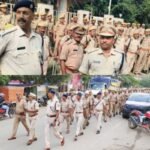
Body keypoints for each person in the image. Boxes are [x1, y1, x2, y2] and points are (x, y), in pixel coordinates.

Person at [0, 0, 43, 75]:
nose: (21, 16)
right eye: (18, 12)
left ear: (33, 16)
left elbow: (40, 64)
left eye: (25, 13)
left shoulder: (38, 38)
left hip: (34, 85)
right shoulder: (6, 36)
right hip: (12, 85)